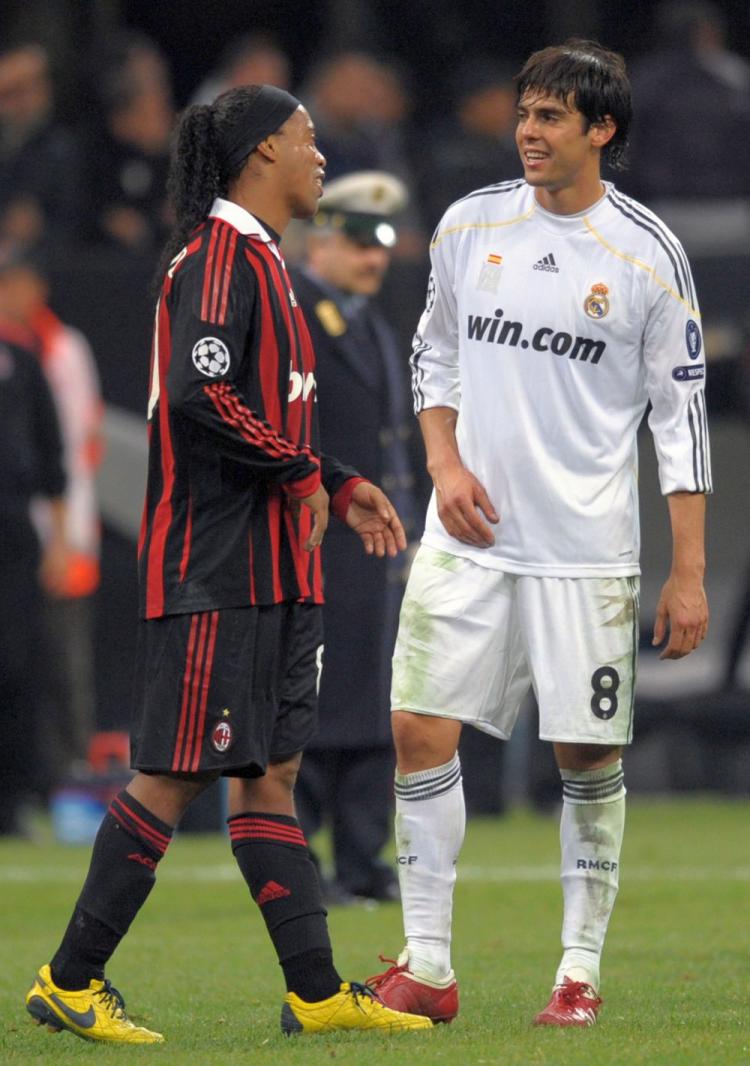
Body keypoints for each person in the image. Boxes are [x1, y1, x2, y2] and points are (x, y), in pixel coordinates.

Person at [25, 84, 432, 1044]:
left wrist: (331, 480)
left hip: (279, 569)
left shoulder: (265, 261)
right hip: (217, 565)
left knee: (271, 778)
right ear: (259, 155)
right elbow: (206, 399)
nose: (320, 157)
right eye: (306, 140)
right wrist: (310, 474)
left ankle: (316, 991)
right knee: (173, 776)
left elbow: (266, 413)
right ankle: (71, 980)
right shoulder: (212, 261)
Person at [369, 40, 711, 1028]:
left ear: (601, 129)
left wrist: (685, 573)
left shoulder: (647, 252)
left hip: (584, 553)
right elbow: (435, 359)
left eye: (553, 114)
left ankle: (578, 972)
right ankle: (428, 964)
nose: (529, 128)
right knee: (415, 729)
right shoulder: (470, 226)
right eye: (525, 110)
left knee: (584, 760)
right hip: (466, 536)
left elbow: (678, 421)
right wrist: (444, 465)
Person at [290, 171, 419, 903]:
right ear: (322, 240)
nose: (374, 260)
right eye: (358, 244)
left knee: (378, 702)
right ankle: (300, 862)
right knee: (314, 702)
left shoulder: (368, 319)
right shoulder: (297, 314)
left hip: (378, 548)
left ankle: (364, 857)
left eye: (380, 247)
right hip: (320, 540)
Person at [0, 244, 103, 776]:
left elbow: (75, 444)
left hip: (47, 525)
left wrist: (67, 534)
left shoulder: (60, 350)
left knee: (53, 655)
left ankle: (67, 772)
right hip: (26, 520)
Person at [0, 310, 68, 834]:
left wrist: (61, 541)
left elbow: (53, 456)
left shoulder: (20, 360)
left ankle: (14, 799)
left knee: (16, 666)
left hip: (13, 532)